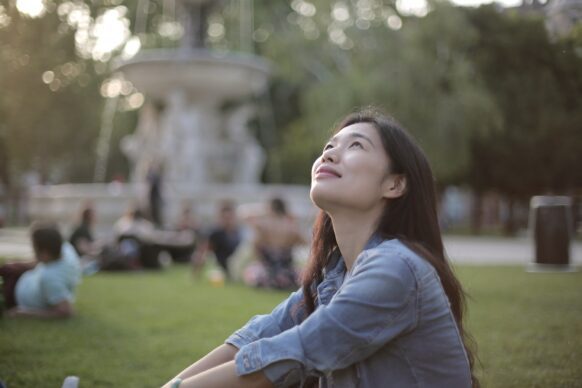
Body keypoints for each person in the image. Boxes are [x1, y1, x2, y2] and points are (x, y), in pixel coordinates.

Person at [162, 109, 478, 388]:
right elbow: (260, 333)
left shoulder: (396, 269)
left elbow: (297, 351)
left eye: (356, 145)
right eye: (329, 147)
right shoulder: (333, 277)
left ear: (394, 184)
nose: (328, 155)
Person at [0, 222, 81, 319]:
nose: (33, 252)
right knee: (7, 268)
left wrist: (23, 312)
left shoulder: (51, 279)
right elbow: (39, 261)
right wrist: (21, 264)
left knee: (6, 271)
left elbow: (65, 311)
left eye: (34, 249)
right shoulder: (66, 249)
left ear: (45, 254)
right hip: (27, 278)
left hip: (16, 295)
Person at [241, 197, 305, 290]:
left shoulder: (264, 225)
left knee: (251, 270)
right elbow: (304, 242)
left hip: (267, 270)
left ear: (270, 208)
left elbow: (243, 214)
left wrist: (263, 211)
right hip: (287, 270)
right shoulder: (291, 226)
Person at [192, 201, 242, 278]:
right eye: (226, 217)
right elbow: (203, 252)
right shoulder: (216, 233)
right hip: (226, 266)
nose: (228, 220)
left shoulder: (238, 231)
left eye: (230, 217)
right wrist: (195, 275)